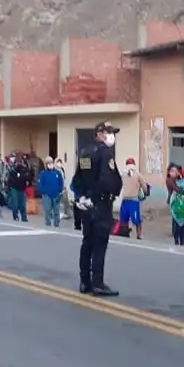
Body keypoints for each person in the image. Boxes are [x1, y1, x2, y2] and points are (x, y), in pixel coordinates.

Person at [71, 121, 123, 297]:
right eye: (109, 132)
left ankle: (84, 281)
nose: (112, 136)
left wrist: (81, 198)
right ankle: (97, 283)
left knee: (87, 242)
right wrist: (93, 198)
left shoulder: (85, 152)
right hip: (100, 204)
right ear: (100, 134)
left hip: (87, 205)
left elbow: (77, 180)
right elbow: (106, 180)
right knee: (99, 245)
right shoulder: (105, 153)